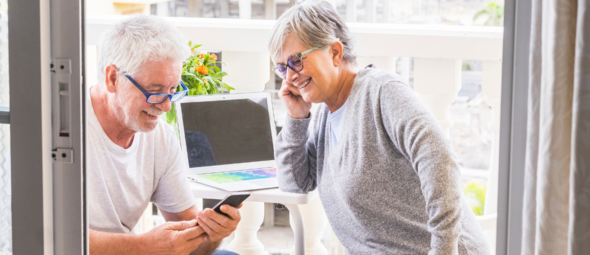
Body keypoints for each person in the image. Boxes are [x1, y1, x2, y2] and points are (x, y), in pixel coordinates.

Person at [269, 1, 491, 254]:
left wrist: (442, 250)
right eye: (281, 67)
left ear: (334, 53)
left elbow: (440, 159)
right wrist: (296, 119)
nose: (289, 77)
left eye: (296, 61)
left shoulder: (381, 92)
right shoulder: (322, 117)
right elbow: (294, 184)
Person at [88, 15, 240, 255]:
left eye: (172, 90)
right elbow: (48, 238)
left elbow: (193, 246)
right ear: (113, 78)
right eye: (154, 91)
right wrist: (143, 247)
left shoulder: (161, 138)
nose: (166, 106)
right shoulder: (65, 131)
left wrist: (213, 234)